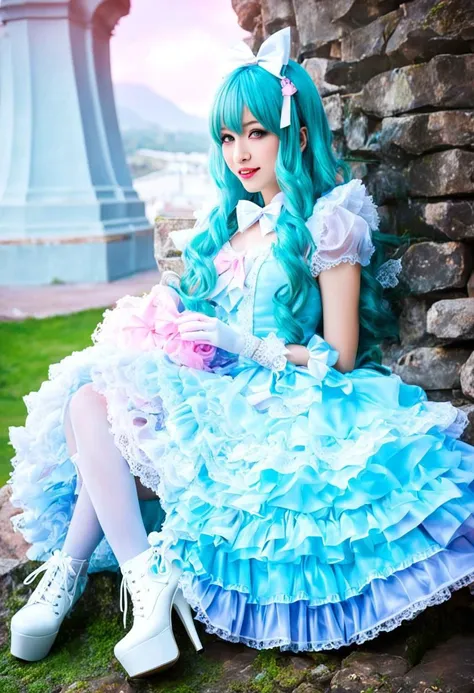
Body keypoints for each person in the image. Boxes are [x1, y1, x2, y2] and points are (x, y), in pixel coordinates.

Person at [7, 27, 474, 679]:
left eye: (255, 132)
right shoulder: (233, 225)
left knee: (100, 417)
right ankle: (133, 580)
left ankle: (83, 576)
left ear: (298, 134)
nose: (239, 153)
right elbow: (210, 320)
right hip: (216, 388)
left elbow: (340, 355)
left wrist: (247, 342)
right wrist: (181, 324)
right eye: (228, 138)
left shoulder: (329, 221)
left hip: (285, 396)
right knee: (91, 396)